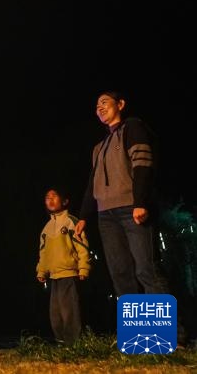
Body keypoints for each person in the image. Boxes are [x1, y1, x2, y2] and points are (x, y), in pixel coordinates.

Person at [75, 91, 166, 296]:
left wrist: (140, 202)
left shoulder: (132, 126)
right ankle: (134, 328)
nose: (99, 107)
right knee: (120, 275)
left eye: (104, 102)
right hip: (106, 217)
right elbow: (93, 183)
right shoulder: (98, 148)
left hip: (131, 210)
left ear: (120, 104)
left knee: (146, 270)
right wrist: (83, 216)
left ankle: (168, 329)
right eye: (97, 105)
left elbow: (142, 163)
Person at [36, 187, 90, 345]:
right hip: (54, 276)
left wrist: (83, 267)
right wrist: (41, 270)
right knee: (56, 313)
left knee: (70, 312)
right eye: (47, 197)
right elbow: (43, 252)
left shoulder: (71, 221)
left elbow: (82, 247)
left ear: (65, 201)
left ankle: (74, 344)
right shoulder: (46, 228)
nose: (50, 200)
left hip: (69, 274)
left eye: (54, 196)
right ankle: (61, 343)